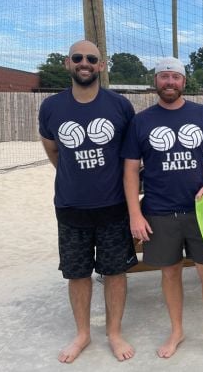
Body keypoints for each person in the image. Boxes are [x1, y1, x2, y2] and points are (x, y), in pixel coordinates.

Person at [122, 57, 203, 364]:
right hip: (159, 211)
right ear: (155, 81)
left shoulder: (201, 113)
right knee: (170, 273)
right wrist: (135, 213)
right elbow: (131, 170)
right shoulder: (142, 121)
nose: (169, 82)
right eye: (164, 77)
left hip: (199, 210)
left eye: (175, 77)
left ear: (183, 81)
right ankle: (177, 331)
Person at [38, 40, 137, 363]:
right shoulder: (52, 107)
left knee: (115, 272)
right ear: (67, 63)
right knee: (77, 274)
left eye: (91, 59)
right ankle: (82, 333)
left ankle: (114, 332)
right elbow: (53, 150)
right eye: (78, 58)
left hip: (113, 206)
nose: (84, 63)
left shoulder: (119, 106)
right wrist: (75, 176)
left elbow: (130, 159)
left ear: (101, 65)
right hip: (70, 206)